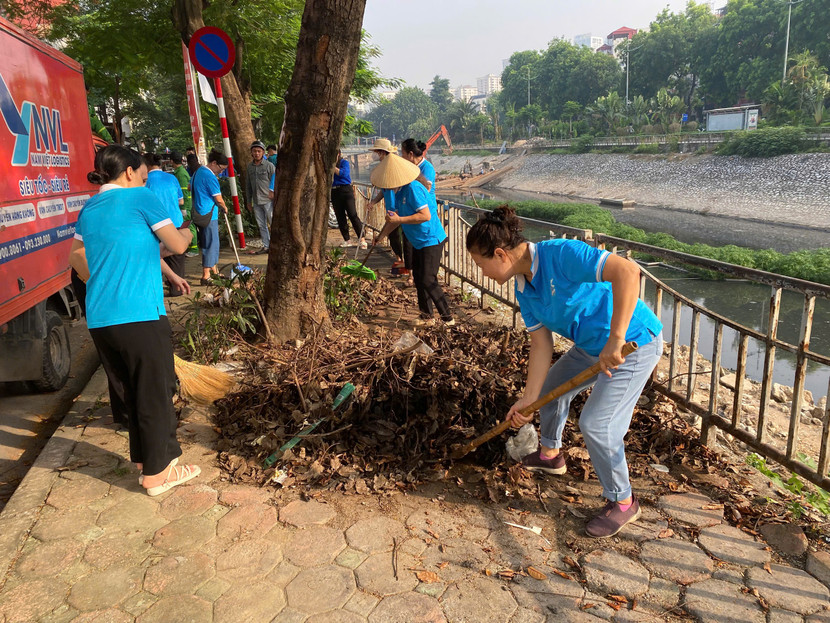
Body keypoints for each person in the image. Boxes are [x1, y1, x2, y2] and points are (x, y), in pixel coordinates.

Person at [465, 206, 664, 537]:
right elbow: (541, 346)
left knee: (597, 423)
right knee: (546, 392)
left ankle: (624, 502)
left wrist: (615, 340)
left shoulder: (561, 254)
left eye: (480, 263)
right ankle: (551, 454)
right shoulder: (524, 288)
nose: (482, 272)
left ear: (500, 254)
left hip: (632, 344)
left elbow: (628, 272)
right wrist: (527, 402)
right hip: (590, 349)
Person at [68, 145, 199, 496]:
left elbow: (77, 256)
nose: (144, 176)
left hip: (101, 319)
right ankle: (158, 477)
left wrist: (106, 276)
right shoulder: (141, 198)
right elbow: (177, 243)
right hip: (139, 314)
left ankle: (146, 462)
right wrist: (188, 233)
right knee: (155, 392)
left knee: (134, 392)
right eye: (141, 171)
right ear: (128, 172)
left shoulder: (90, 208)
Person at [372, 153, 453, 326]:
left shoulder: (413, 188)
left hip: (430, 239)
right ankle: (427, 316)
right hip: (418, 241)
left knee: (428, 278)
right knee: (418, 276)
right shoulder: (400, 191)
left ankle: (448, 318)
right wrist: (380, 237)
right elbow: (393, 220)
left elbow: (424, 215)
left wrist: (399, 220)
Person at [144, 153, 188, 296]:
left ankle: (157, 289)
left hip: (155, 225)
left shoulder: (145, 181)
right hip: (175, 222)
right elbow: (181, 201)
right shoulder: (171, 177)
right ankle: (178, 289)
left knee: (156, 256)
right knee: (176, 257)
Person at [367, 139, 412, 275]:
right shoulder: (382, 167)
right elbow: (384, 190)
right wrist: (373, 202)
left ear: (382, 152)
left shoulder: (393, 166)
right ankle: (399, 260)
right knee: (393, 236)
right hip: (391, 210)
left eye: (377, 152)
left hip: (399, 209)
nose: (375, 155)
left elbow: (394, 187)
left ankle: (409, 268)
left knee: (406, 239)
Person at [191, 150, 229, 285]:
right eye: (221, 169)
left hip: (199, 212)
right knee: (210, 243)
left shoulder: (198, 172)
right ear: (214, 163)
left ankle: (215, 271)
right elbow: (218, 198)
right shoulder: (210, 176)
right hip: (209, 214)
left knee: (210, 241)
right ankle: (206, 275)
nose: (221, 172)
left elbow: (190, 188)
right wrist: (224, 207)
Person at [245, 140, 276, 255]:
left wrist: (273, 194)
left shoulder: (269, 166)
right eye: (254, 151)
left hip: (268, 200)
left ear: (263, 152)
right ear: (251, 153)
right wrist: (249, 201)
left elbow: (275, 180)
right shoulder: (250, 167)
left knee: (272, 222)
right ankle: (266, 245)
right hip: (256, 201)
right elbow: (248, 185)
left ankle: (275, 245)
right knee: (261, 225)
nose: (256, 153)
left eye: (259, 151)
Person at [331, 149, 365, 248]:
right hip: (334, 191)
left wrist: (333, 166)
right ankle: (347, 239)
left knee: (352, 214)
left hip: (345, 190)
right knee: (340, 216)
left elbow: (343, 174)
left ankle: (362, 239)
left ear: (339, 154)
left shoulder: (344, 163)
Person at [169, 150, 198, 257]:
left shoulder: (180, 174)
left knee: (189, 226)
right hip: (186, 204)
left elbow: (185, 192)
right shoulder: (180, 172)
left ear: (171, 161)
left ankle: (194, 249)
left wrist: (184, 207)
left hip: (185, 205)